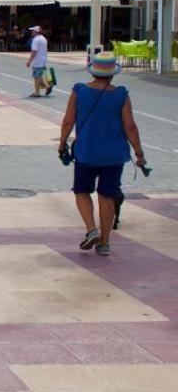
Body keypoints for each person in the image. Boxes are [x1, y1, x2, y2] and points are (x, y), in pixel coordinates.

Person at [58, 53, 145, 256]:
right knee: (107, 196)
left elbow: (68, 121)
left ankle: (91, 229)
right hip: (114, 155)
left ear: (93, 71)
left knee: (82, 191)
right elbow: (130, 126)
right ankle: (104, 243)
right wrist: (139, 153)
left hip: (86, 152)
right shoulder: (121, 94)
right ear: (112, 74)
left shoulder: (79, 91)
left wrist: (62, 143)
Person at [25, 25, 52, 97]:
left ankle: (37, 92)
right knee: (38, 75)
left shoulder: (36, 40)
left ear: (36, 32)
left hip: (37, 60)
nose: (31, 32)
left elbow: (34, 51)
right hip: (42, 59)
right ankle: (47, 87)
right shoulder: (43, 38)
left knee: (36, 76)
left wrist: (29, 61)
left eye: (33, 31)